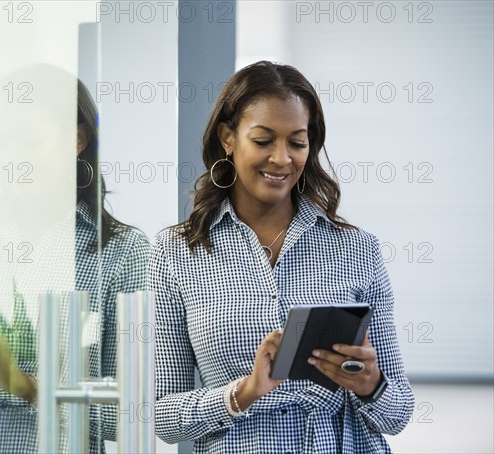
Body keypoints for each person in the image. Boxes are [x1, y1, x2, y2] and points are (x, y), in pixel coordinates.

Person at [147, 60, 414, 453]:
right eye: (263, 140)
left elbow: (399, 412)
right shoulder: (175, 253)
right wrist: (245, 392)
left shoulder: (358, 249)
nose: (281, 158)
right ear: (228, 137)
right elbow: (162, 417)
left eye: (297, 142)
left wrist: (371, 385)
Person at [0, 64, 149, 453]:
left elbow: (133, 411)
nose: (12, 159)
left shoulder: (122, 251)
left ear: (76, 139)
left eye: (29, 141)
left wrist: (33, 390)